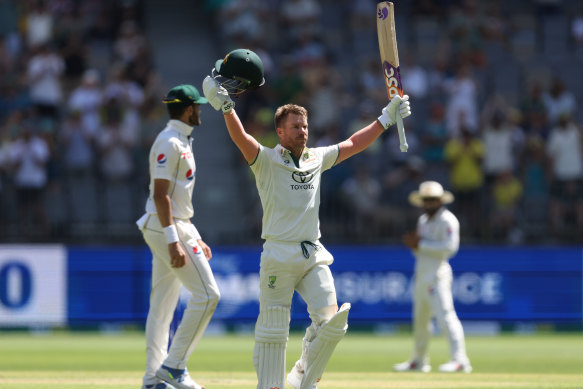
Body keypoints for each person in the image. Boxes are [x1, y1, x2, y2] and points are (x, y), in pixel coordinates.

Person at [202, 48, 411, 389]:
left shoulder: (317, 157)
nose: (302, 131)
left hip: (312, 253)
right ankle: (271, 385)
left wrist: (386, 118)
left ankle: (304, 376)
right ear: (280, 133)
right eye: (295, 127)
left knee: (332, 324)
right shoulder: (266, 160)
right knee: (273, 329)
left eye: (305, 126)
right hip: (278, 254)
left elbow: (354, 143)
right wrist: (226, 106)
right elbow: (241, 138)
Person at [136, 84, 220, 389]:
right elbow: (160, 195)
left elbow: (177, 197)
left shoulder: (181, 140)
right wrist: (174, 239)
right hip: (163, 225)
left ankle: (151, 379)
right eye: (197, 106)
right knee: (209, 295)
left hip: (174, 224)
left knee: (162, 306)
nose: (199, 110)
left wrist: (193, 234)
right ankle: (174, 367)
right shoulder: (168, 142)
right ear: (188, 110)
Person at [394, 180, 472, 373]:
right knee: (420, 321)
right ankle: (419, 361)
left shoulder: (448, 220)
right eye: (425, 200)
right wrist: (416, 246)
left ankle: (460, 360)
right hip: (421, 275)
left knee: (446, 316)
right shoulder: (423, 220)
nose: (428, 204)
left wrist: (421, 245)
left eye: (432, 200)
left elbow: (450, 248)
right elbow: (419, 251)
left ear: (440, 201)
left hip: (438, 276)